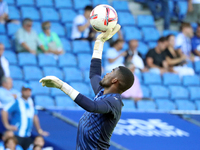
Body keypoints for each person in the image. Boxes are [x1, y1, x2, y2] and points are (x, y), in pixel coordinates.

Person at [39, 24, 135, 149]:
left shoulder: (114, 103)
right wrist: (99, 42)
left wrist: (62, 86)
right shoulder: (103, 92)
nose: (106, 73)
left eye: (111, 72)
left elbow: (91, 106)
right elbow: (94, 74)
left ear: (115, 80)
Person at [1, 84, 49, 150]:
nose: (28, 92)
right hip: (17, 134)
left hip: (27, 135)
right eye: (26, 90)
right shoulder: (17, 101)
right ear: (22, 91)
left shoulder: (30, 102)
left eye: (29, 90)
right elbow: (4, 110)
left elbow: (34, 116)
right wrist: (7, 125)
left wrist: (39, 130)